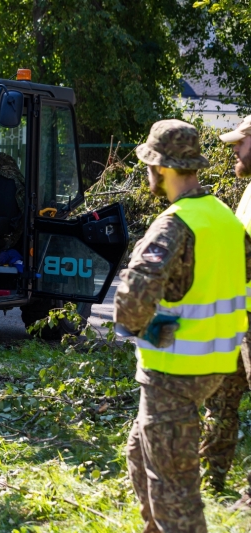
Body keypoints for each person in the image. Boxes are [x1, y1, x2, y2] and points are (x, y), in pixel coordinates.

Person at [114, 119, 251, 533]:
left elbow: (129, 307)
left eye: (148, 165)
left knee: (174, 488)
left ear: (161, 168)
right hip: (216, 367)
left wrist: (150, 330)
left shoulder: (175, 225)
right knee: (140, 453)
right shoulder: (226, 217)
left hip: (173, 373)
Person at [201, 115, 251, 504]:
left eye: (240, 142)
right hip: (240, 319)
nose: (234, 149)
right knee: (220, 397)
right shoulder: (249, 189)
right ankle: (210, 479)